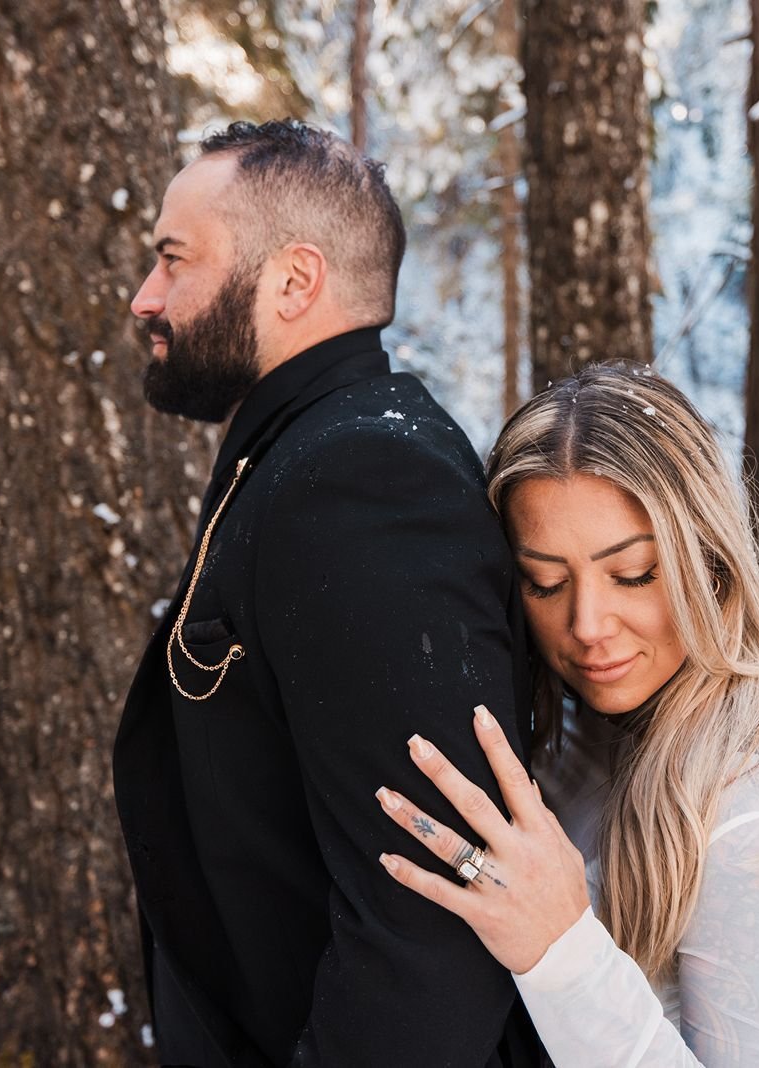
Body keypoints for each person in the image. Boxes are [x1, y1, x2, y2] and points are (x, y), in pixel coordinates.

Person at [111, 120, 542, 1067]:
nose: (147, 298)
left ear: (294, 281)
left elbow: (429, 921)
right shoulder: (306, 451)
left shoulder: (364, 476)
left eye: (174, 261)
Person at [376, 363, 759, 1066]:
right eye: (545, 582)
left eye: (633, 574)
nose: (587, 625)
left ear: (710, 561)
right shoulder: (580, 720)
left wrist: (562, 952)